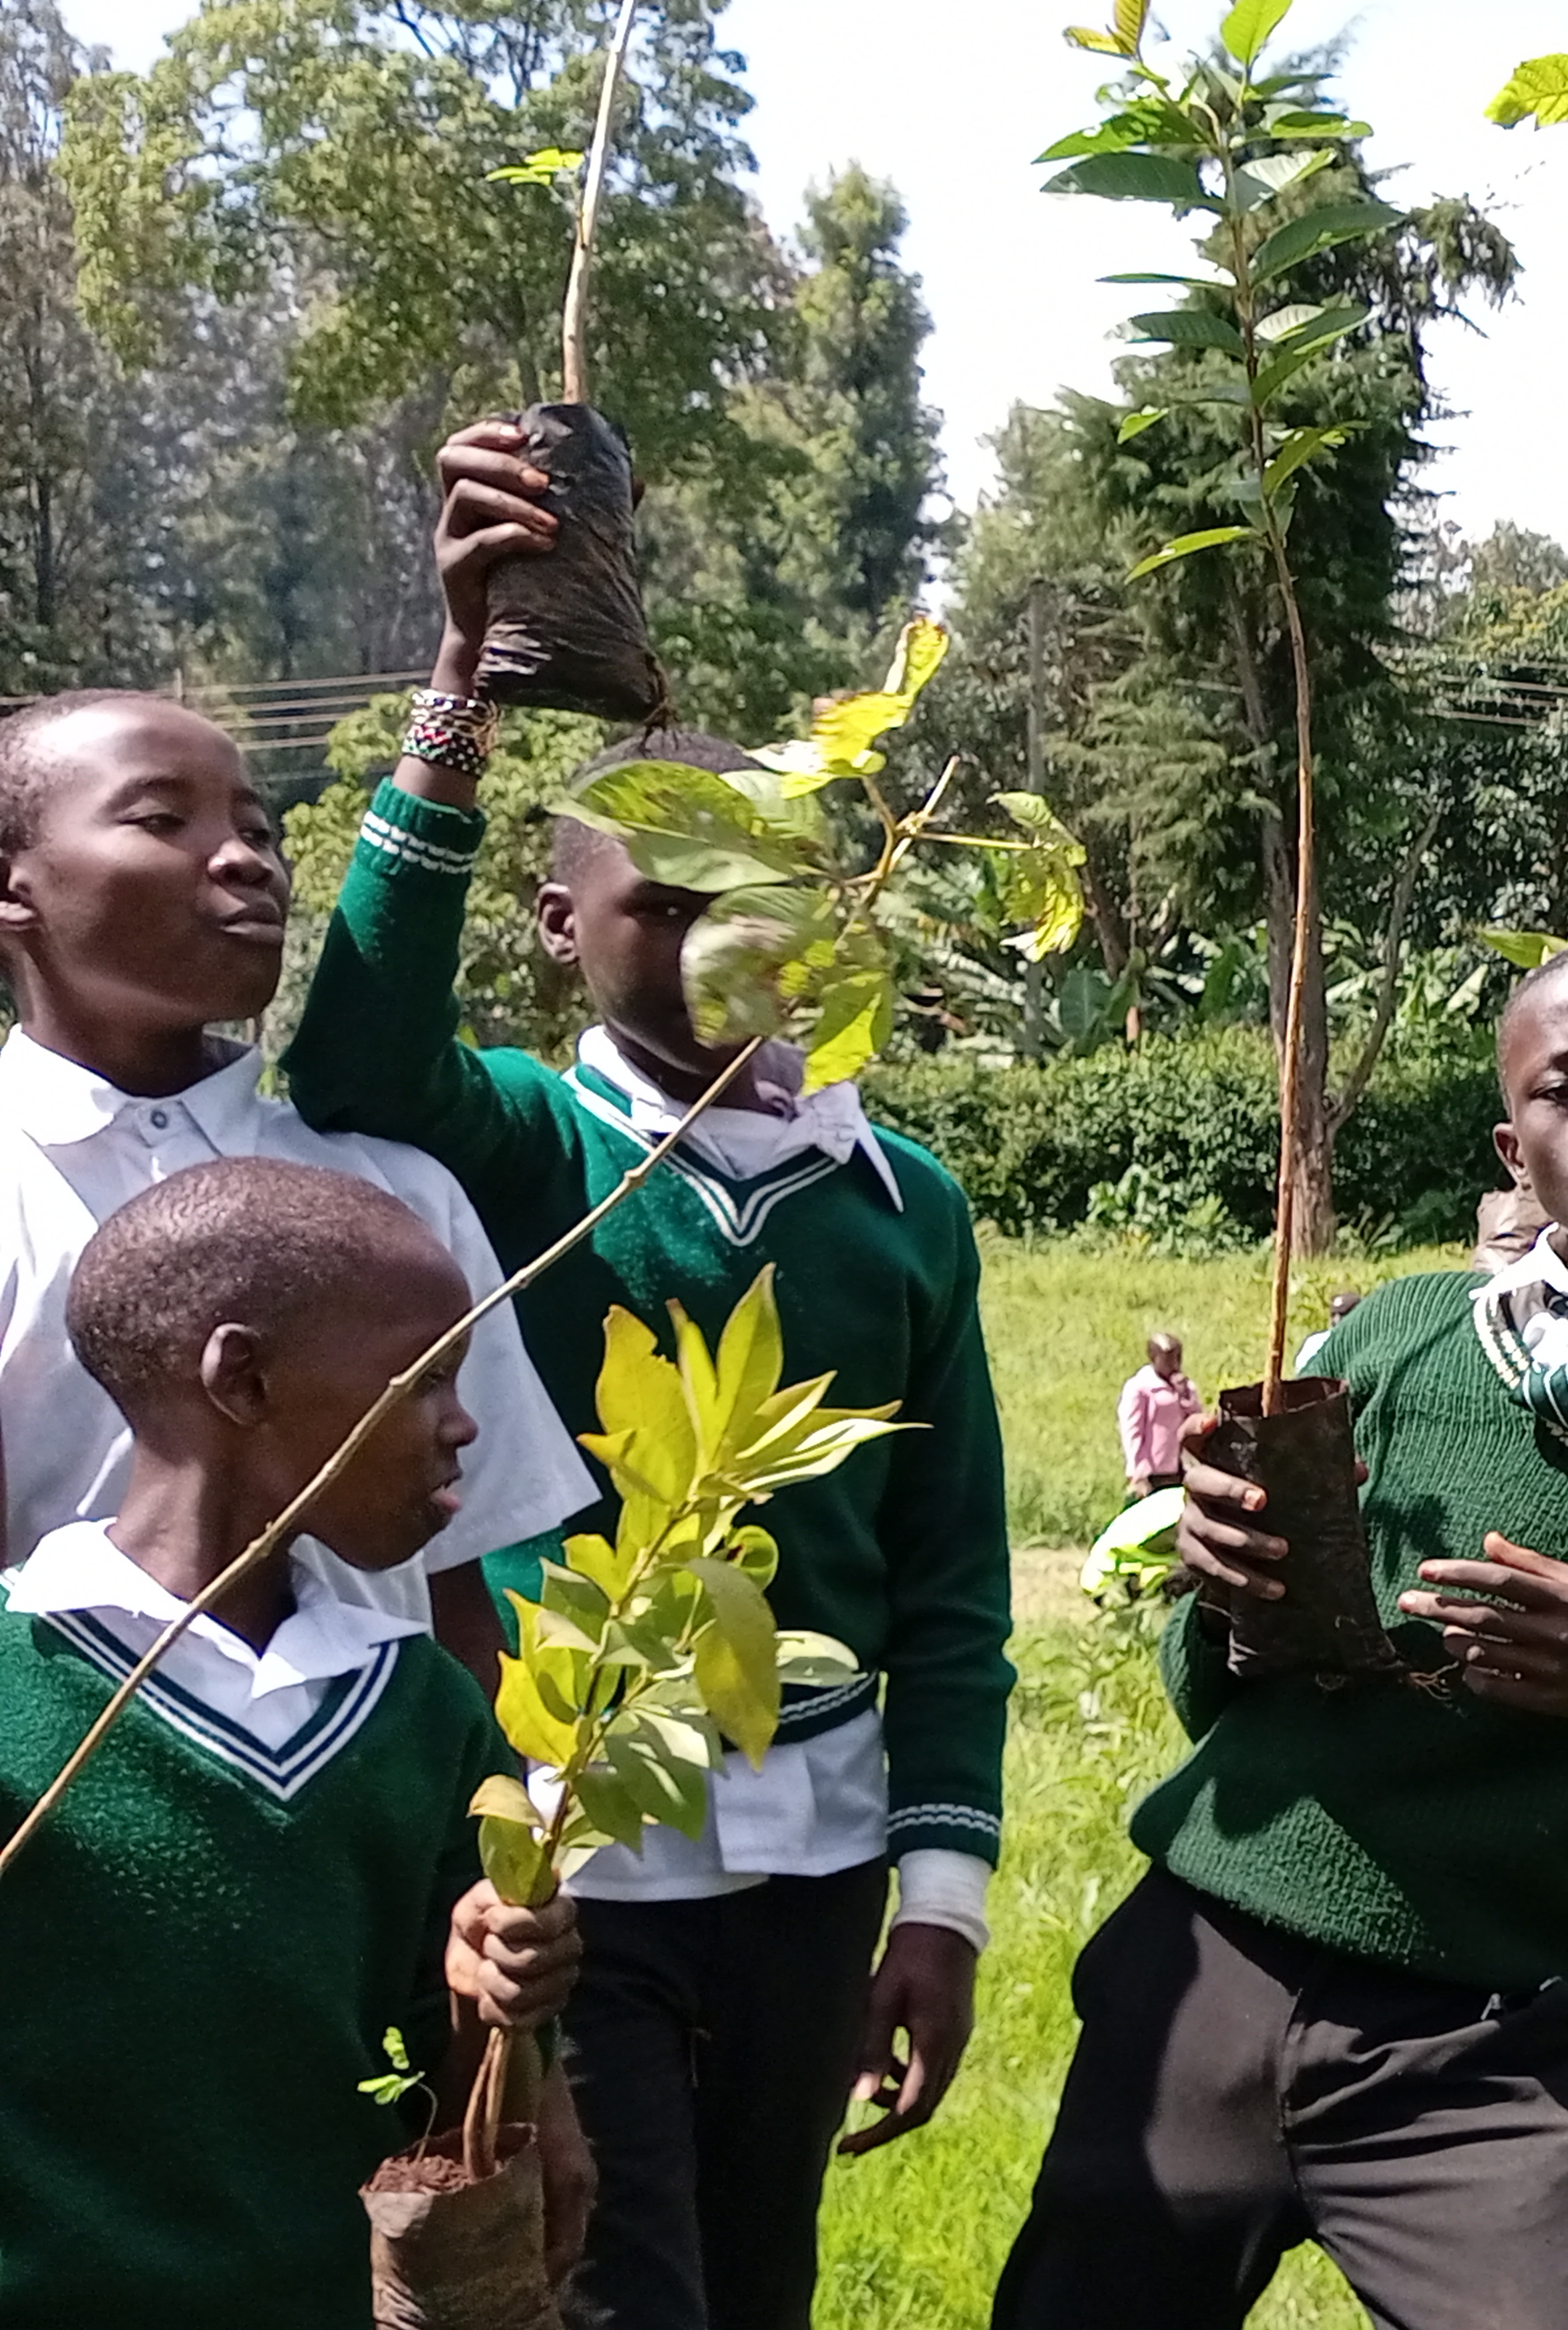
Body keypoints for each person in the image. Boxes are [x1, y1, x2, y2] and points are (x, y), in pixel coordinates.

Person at [278, 419, 1014, 2330]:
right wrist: (457, 691)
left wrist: (938, 1907)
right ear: (557, 923)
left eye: (759, 893)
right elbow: (353, 1064)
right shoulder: (527, 1151)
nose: (718, 945)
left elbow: (949, 1579)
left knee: (761, 2276)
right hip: (568, 1852)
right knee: (610, 2285)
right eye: (660, 902)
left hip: (818, 1862)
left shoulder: (901, 1204)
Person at [994, 935, 1568, 2330]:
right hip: (1210, 1967)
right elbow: (1215, 1706)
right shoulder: (1396, 1341)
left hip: (1477, 2037)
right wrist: (1220, 1582)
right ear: (1512, 1141)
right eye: (1566, 1086)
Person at [0, 1159, 586, 2319]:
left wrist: (497, 2000)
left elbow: (458, 2098)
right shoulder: (21, 1689)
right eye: (426, 1378)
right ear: (245, 1378)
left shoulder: (421, 1710)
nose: (464, 1425)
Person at [0, 687, 593, 1664]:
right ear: (14, 885)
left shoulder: (402, 1198)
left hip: (384, 1806)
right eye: (161, 819)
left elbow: (472, 1589)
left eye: (257, 830)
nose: (246, 861)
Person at [1125, 1331, 1198, 1497]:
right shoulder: (1140, 1388)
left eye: (1178, 1358)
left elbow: (1196, 1417)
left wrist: (1184, 1394)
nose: (1175, 1364)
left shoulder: (1185, 1386)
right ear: (1153, 1358)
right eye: (1168, 1360)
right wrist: (1136, 1468)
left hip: (1179, 1464)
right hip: (1153, 1468)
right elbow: (1132, 1429)